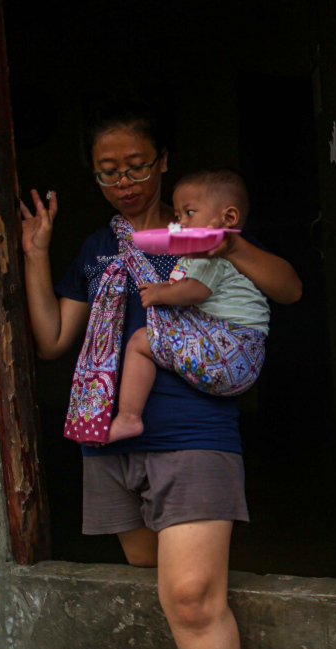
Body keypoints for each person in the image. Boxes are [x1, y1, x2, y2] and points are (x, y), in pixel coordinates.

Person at [19, 96, 302, 649]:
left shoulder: (202, 236)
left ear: (164, 160)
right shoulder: (97, 250)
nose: (125, 181)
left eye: (138, 165)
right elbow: (51, 340)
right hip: (111, 435)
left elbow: (289, 289)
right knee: (154, 564)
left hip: (194, 428)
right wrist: (36, 255)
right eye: (108, 170)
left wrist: (228, 245)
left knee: (193, 595)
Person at [103, 170, 270, 444]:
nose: (179, 224)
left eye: (189, 213)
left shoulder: (209, 255)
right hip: (245, 357)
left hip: (226, 349)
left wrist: (159, 293)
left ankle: (129, 417)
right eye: (178, 217)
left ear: (228, 219)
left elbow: (195, 290)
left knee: (139, 342)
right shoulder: (226, 258)